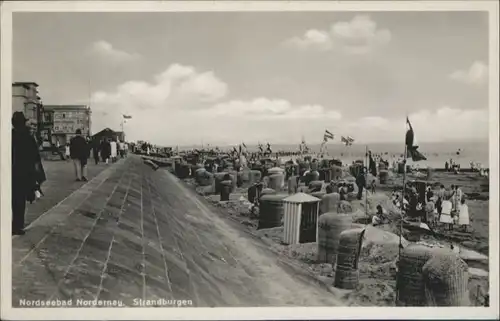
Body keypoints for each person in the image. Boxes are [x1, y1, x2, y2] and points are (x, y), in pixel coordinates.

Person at [12, 112, 45, 235]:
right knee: (20, 200)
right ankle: (17, 225)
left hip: (11, 171)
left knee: (12, 198)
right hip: (24, 172)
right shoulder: (28, 136)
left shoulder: (9, 135)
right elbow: (35, 156)